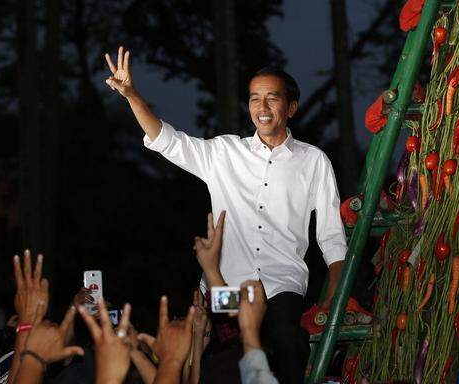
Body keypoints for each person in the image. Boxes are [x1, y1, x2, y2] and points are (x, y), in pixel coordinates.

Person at [104, 46, 348, 383]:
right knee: (219, 367)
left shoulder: (314, 161)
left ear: (291, 107)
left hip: (282, 288)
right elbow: (167, 140)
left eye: (272, 98)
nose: (261, 107)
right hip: (224, 289)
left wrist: (334, 299)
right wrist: (131, 94)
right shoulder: (223, 152)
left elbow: (332, 238)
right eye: (254, 98)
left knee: (290, 347)